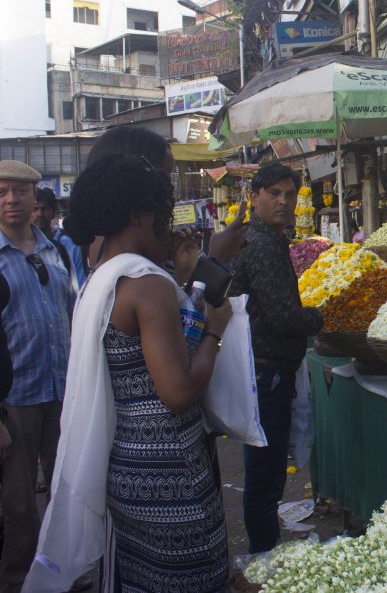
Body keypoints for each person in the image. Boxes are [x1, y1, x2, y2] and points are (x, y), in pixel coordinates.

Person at [26, 154, 232, 592]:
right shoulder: (148, 286)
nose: (169, 225)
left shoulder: (102, 277)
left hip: (126, 465)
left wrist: (180, 280)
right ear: (139, 215)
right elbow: (177, 391)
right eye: (163, 212)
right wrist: (215, 331)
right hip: (171, 471)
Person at [230, 162, 323, 553]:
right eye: (274, 194)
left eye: (289, 195)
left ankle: (263, 549)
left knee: (265, 475)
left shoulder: (265, 239)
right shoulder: (263, 245)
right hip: (267, 372)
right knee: (265, 477)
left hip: (264, 369)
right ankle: (263, 555)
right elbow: (284, 317)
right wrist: (319, 316)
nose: (283, 202)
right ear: (254, 197)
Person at [0, 161, 75, 592]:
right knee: (19, 506)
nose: (12, 200)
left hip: (63, 393)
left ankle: (61, 577)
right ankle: (16, 582)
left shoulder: (55, 251)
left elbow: (70, 315)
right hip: (16, 401)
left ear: (36, 197)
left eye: (21, 191)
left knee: (66, 494)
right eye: (3, 192)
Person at [85, 125, 250, 275]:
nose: (169, 190)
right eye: (163, 175)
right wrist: (216, 259)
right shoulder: (128, 263)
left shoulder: (121, 250)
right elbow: (180, 304)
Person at [35, 187, 85, 288]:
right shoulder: (24, 248)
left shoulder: (71, 245)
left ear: (53, 212)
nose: (40, 214)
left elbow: (80, 284)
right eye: (35, 209)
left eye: (45, 209)